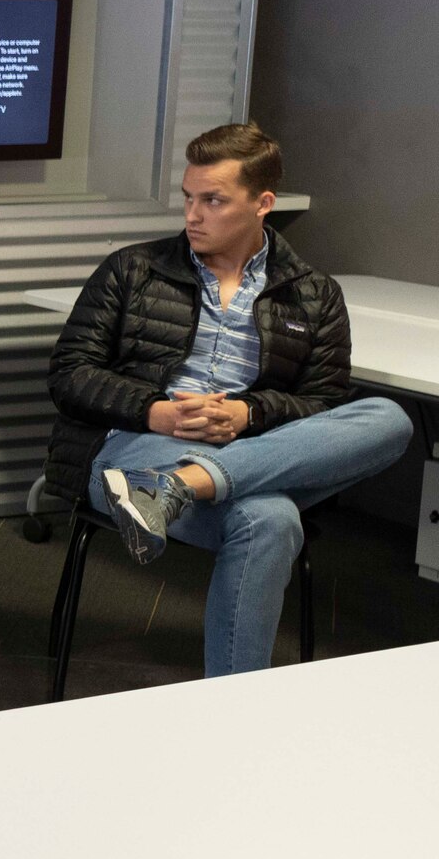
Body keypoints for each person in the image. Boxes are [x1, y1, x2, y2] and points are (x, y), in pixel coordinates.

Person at [47, 122, 412, 675]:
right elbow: (70, 376)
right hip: (131, 453)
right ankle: (238, 709)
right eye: (189, 198)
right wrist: (156, 410)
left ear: (263, 203)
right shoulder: (133, 269)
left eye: (213, 201)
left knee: (387, 418)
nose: (192, 215)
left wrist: (252, 412)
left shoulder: (313, 293)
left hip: (250, 451)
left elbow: (325, 402)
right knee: (271, 519)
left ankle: (178, 489)